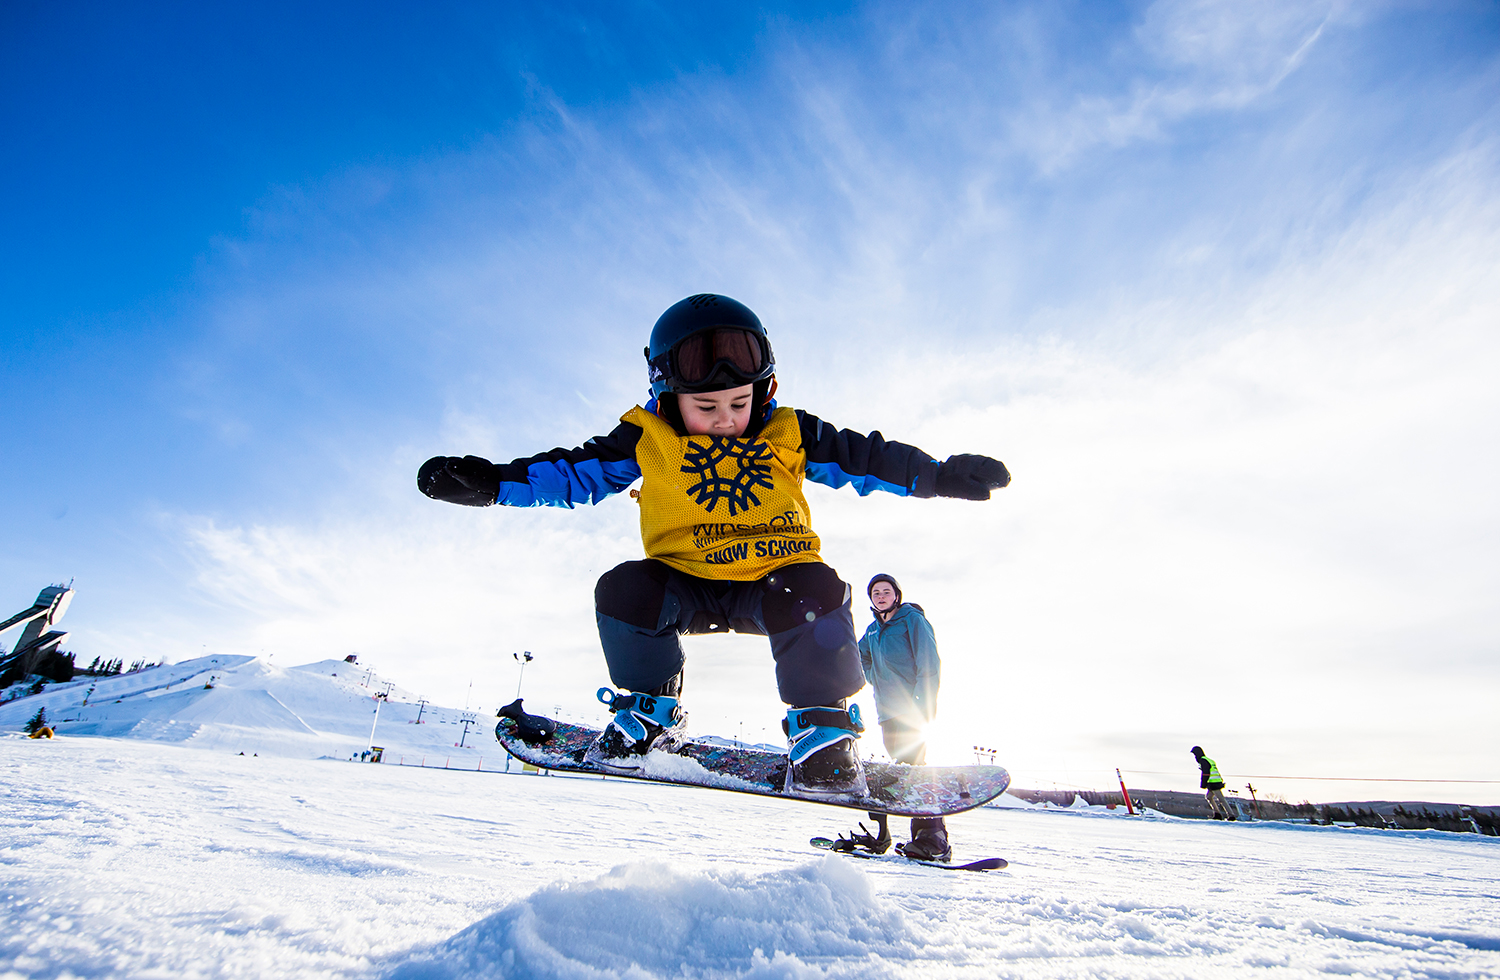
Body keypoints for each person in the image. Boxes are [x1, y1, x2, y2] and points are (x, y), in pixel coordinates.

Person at [418, 293, 1010, 798]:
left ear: (764, 388)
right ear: (666, 396)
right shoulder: (643, 437)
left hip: (774, 589)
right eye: (705, 407)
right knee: (624, 587)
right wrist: (492, 483)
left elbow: (870, 459)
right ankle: (651, 711)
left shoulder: (791, 432)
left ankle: (822, 726)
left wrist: (938, 476)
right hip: (687, 589)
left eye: (739, 403)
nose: (725, 418)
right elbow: (572, 473)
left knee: (818, 585)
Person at [833, 573, 948, 860]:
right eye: (875, 593)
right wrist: (875, 677)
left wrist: (925, 704)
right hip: (886, 712)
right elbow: (858, 657)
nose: (881, 596)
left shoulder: (912, 620)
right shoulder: (872, 631)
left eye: (886, 591)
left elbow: (929, 662)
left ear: (896, 595)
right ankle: (884, 834)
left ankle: (934, 840)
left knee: (913, 772)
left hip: (913, 709)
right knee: (898, 773)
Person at [1191, 745, 1236, 820]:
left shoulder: (1203, 760)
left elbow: (1206, 773)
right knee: (1209, 797)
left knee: (1221, 799)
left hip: (1213, 783)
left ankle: (1231, 815)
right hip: (1215, 782)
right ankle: (1217, 814)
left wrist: (1203, 784)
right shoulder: (1208, 759)